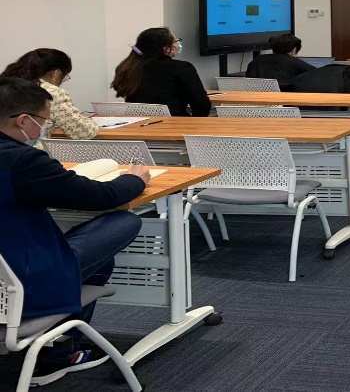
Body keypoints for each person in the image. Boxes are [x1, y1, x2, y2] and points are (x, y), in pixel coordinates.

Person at [0, 78, 150, 386]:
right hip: (23, 288)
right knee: (123, 222)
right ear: (23, 121)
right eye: (44, 121)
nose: (44, 128)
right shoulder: (22, 161)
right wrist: (136, 179)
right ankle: (59, 352)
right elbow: (103, 197)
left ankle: (63, 345)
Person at [111, 27, 212, 117]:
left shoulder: (128, 67)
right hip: (176, 126)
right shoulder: (182, 68)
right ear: (166, 48)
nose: (178, 44)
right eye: (176, 41)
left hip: (136, 126)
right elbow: (201, 105)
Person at [2, 48, 98, 139]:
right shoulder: (52, 93)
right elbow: (82, 132)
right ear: (56, 73)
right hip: (26, 148)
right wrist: (88, 120)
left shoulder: (5, 85)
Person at [245, 34, 316, 89]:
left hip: (257, 99)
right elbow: (317, 74)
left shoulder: (257, 60)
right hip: (286, 100)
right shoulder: (295, 62)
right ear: (294, 49)